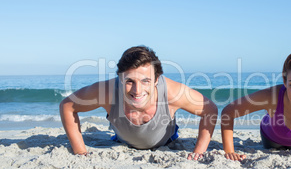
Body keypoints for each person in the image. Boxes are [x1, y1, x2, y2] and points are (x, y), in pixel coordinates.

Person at [60, 46, 218, 160]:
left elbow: (209, 109)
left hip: (168, 140)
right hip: (122, 139)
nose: (137, 90)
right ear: (120, 78)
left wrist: (199, 151)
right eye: (129, 81)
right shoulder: (107, 91)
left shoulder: (172, 93)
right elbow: (67, 106)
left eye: (145, 80)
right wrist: (80, 151)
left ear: (156, 80)